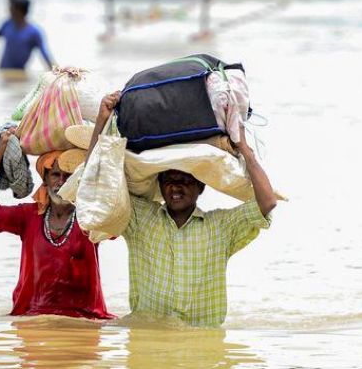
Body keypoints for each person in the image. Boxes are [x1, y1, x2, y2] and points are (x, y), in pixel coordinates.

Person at [86, 92, 277, 327]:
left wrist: (244, 149)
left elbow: (267, 203)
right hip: (149, 347)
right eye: (168, 180)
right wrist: (102, 121)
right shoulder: (140, 218)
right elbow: (96, 186)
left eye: (184, 180)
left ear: (200, 187)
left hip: (204, 348)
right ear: (159, 185)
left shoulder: (221, 227)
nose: (175, 187)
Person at [0, 135, 113, 319]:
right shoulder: (28, 216)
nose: (61, 182)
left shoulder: (90, 217)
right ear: (45, 179)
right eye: (55, 175)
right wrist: (0, 152)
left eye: (68, 176)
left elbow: (115, 207)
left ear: (78, 181)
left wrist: (102, 121)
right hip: (32, 318)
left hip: (84, 321)